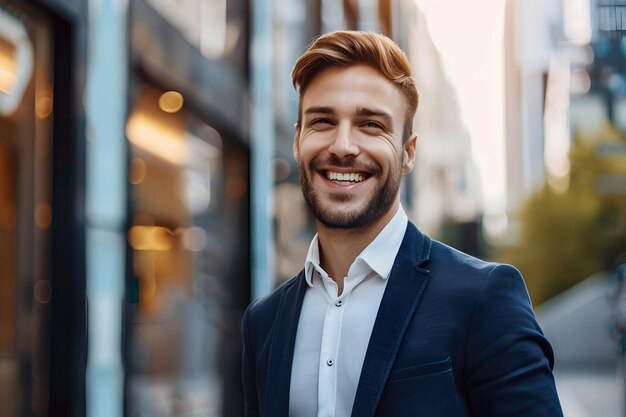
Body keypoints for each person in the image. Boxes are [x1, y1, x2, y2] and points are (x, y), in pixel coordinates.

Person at [241, 30, 563, 417]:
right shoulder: (263, 323)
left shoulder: (485, 298)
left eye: (371, 125)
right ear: (298, 141)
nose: (343, 145)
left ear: (408, 153)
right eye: (323, 121)